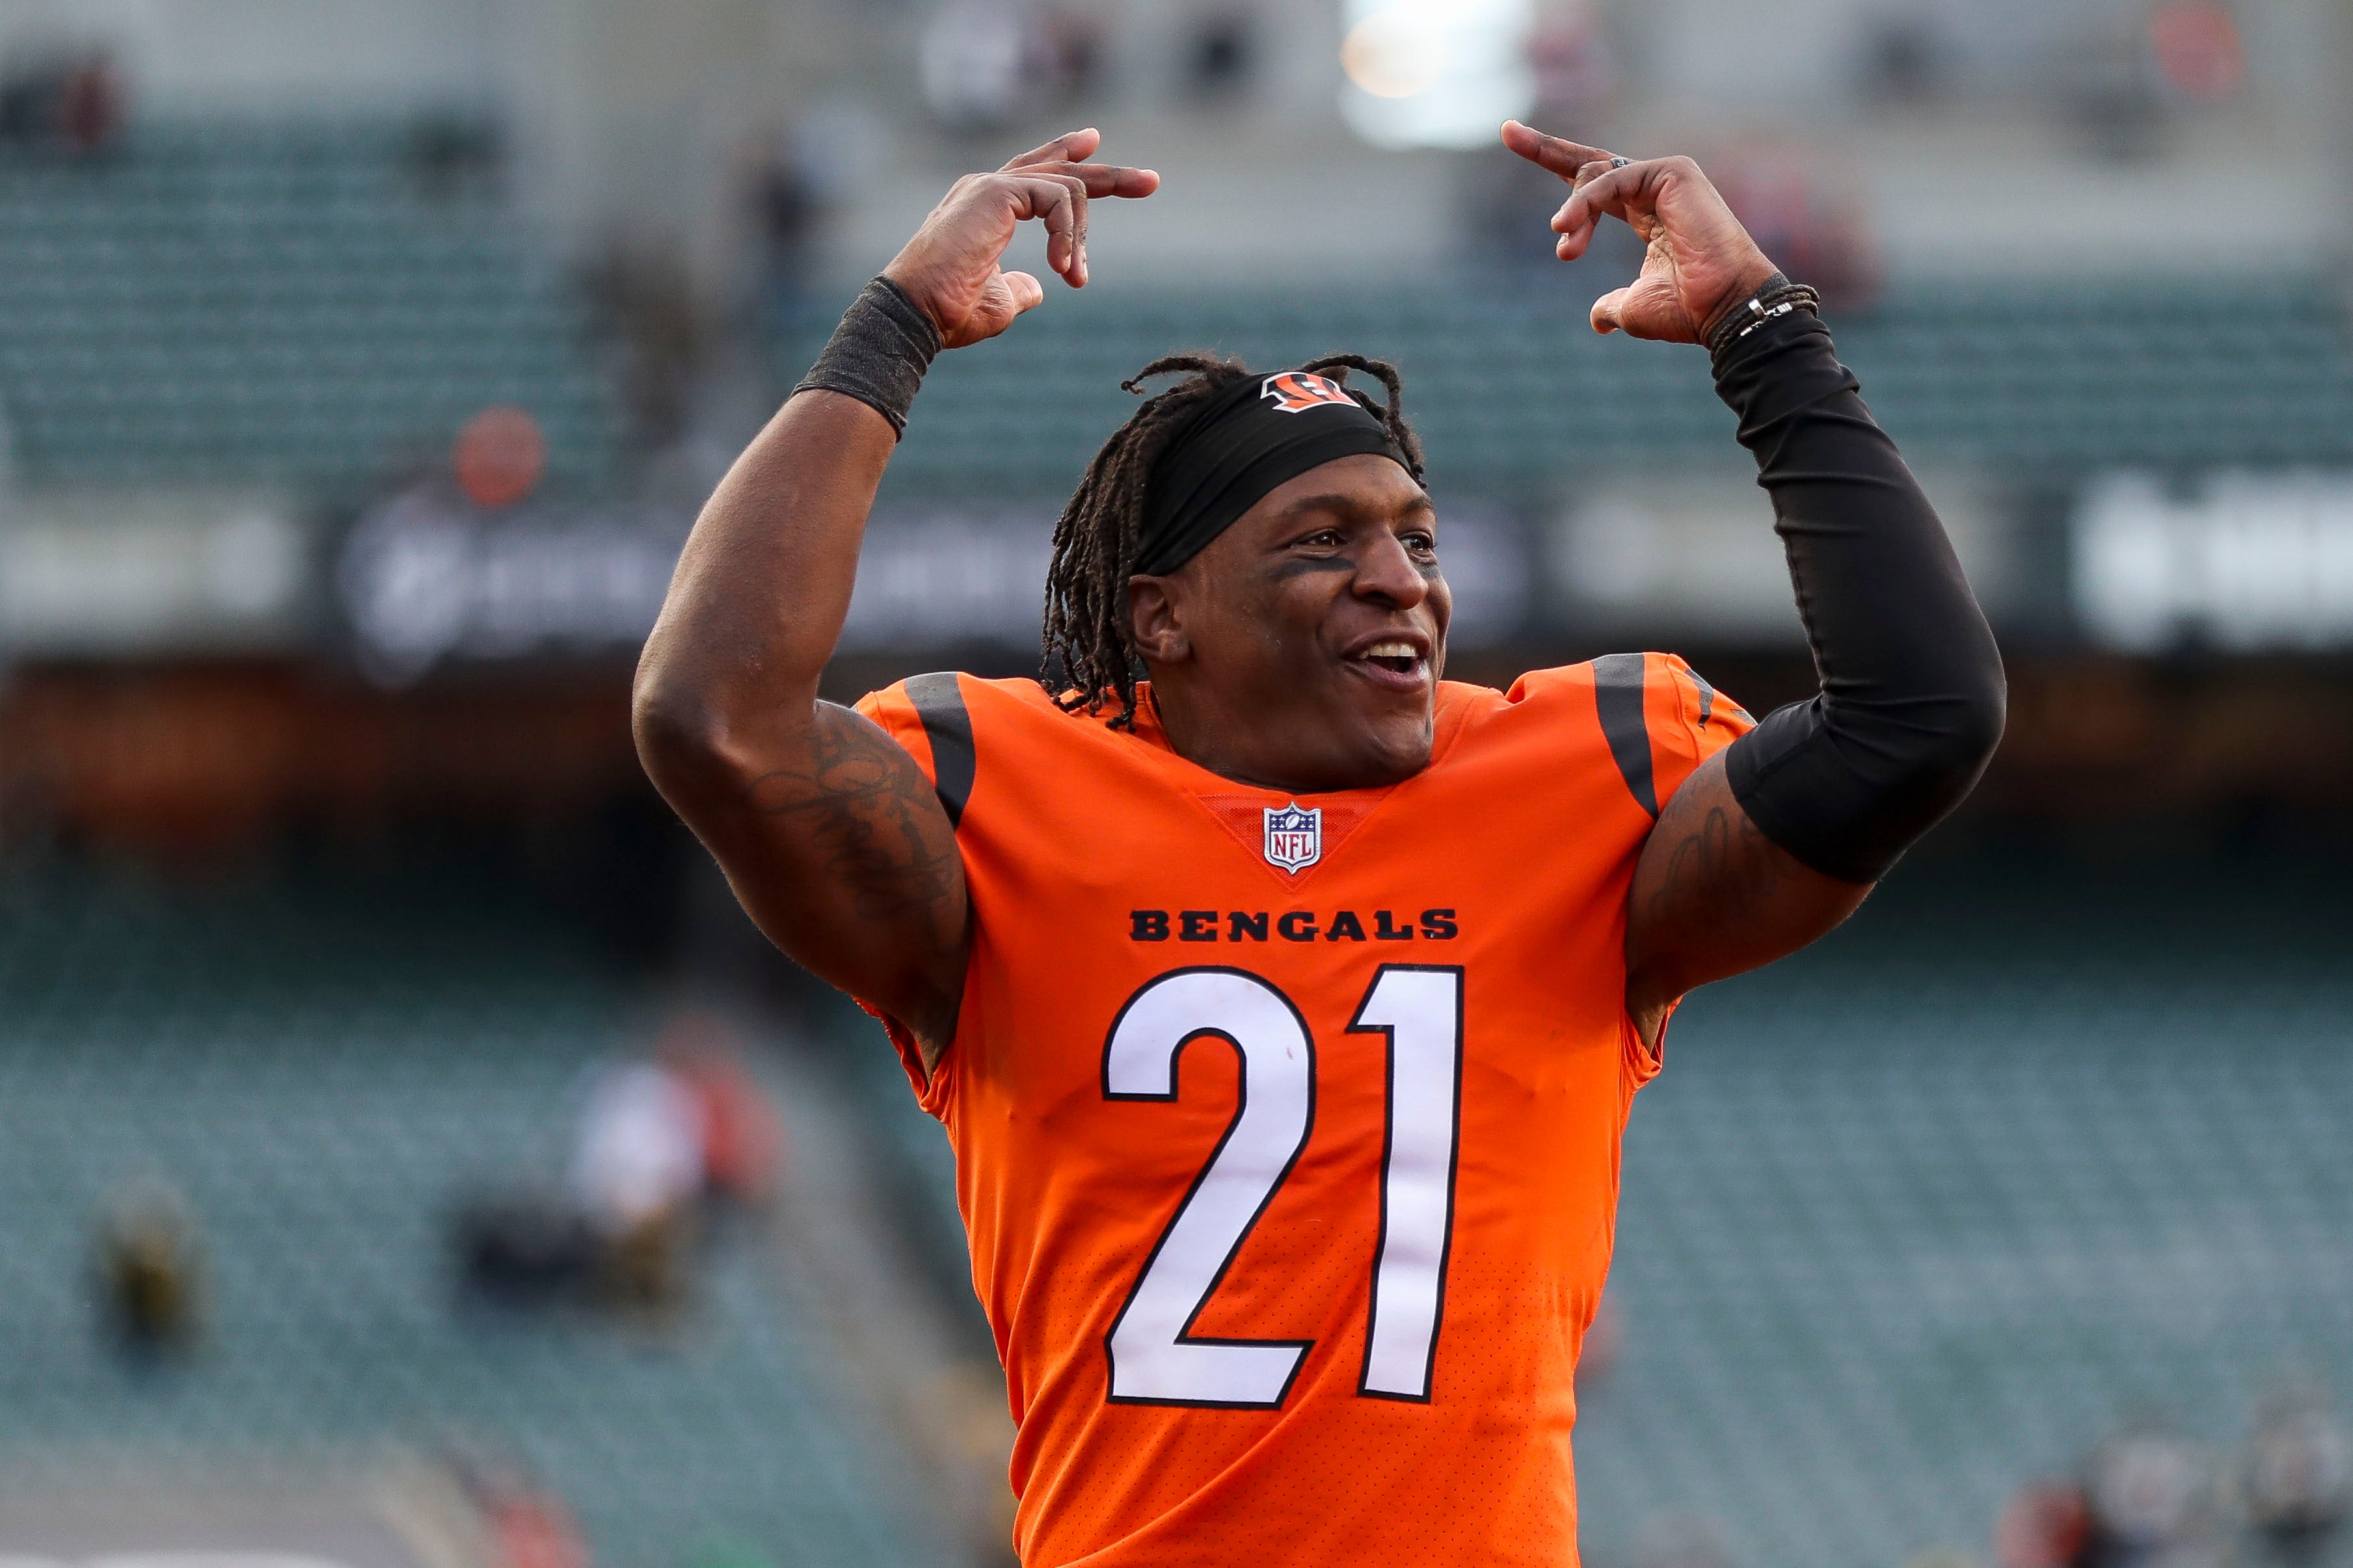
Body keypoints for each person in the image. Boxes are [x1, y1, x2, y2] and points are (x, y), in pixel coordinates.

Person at [634, 123, 2003, 1566]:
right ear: (1159, 617)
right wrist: (892, 326)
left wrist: (1763, 331)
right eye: (1320, 541)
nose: (1397, 582)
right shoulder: (1003, 794)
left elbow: (1922, 718)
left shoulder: (1580, 778)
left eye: (1418, 539)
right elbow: (712, 712)